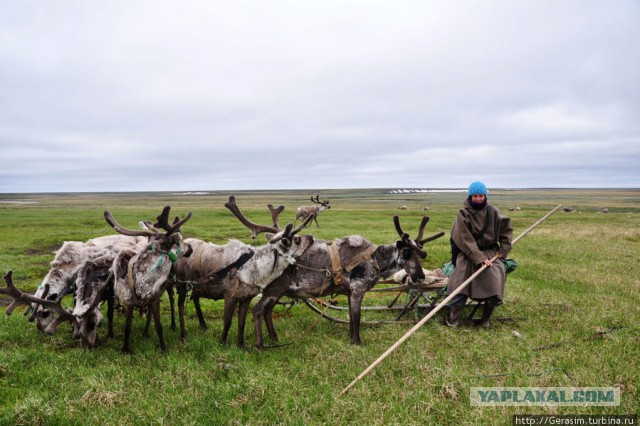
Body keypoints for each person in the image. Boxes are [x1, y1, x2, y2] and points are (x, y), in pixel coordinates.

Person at [446, 181, 513, 328]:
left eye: (480, 196)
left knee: (495, 277)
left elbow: (506, 233)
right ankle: (453, 317)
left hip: (491, 253)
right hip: (468, 253)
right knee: (460, 280)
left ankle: (485, 319)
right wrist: (479, 259)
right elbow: (465, 239)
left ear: (485, 196)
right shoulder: (463, 214)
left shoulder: (494, 212)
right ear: (470, 197)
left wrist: (502, 251)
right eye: (475, 196)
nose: (478, 199)